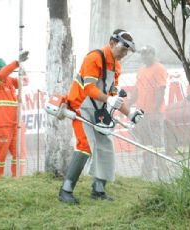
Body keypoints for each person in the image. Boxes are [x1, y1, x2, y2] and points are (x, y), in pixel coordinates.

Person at [58, 29, 144, 204]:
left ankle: (98, 190)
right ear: (112, 43)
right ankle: (65, 190)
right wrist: (109, 99)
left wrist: (130, 113)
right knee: (84, 145)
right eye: (122, 49)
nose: (124, 54)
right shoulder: (94, 58)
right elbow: (89, 88)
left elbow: (113, 95)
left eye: (127, 51)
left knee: (105, 145)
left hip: (98, 110)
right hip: (80, 107)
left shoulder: (116, 66)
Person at [0, 51, 29, 181]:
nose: (4, 73)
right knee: (0, 156)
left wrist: (23, 70)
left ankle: (18, 180)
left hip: (16, 124)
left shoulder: (9, 81)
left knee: (20, 155)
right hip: (2, 125)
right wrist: (17, 62)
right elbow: (3, 73)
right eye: (0, 71)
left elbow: (26, 81)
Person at [129, 45, 167, 180]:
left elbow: (161, 90)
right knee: (145, 143)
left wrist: (156, 111)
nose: (144, 56)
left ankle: (162, 173)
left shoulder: (159, 68)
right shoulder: (141, 69)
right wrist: (128, 103)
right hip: (141, 111)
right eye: (142, 54)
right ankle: (146, 172)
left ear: (153, 54)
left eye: (147, 54)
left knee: (158, 144)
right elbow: (137, 89)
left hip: (154, 112)